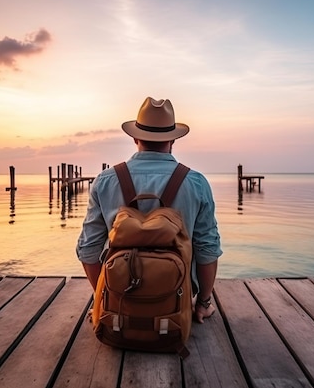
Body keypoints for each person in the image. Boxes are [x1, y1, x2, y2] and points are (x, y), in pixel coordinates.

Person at [76, 96, 222, 323]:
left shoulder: (105, 181)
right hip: (176, 308)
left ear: (135, 137)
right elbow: (207, 250)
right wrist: (202, 303)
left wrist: (103, 299)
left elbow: (88, 250)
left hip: (118, 305)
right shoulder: (196, 183)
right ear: (173, 139)